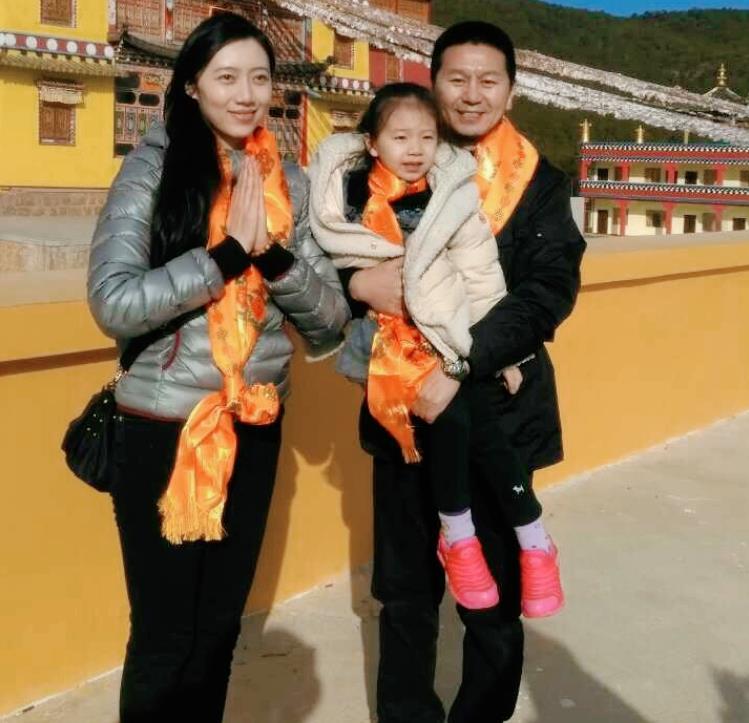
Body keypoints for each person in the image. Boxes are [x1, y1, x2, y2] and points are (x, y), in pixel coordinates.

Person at [87, 12, 348, 722]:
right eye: (226, 77)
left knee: (218, 631)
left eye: (259, 78)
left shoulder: (288, 182)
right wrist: (225, 257)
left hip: (254, 422)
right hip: (163, 429)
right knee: (166, 636)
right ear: (191, 86)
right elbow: (113, 302)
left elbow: (329, 319)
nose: (245, 94)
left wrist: (273, 258)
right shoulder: (152, 170)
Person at [335, 22, 587, 723]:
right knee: (406, 590)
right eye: (457, 78)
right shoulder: (388, 168)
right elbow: (330, 260)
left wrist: (463, 361)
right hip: (404, 406)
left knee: (494, 598)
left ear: (510, 90)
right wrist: (355, 286)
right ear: (434, 81)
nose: (471, 94)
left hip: (497, 412)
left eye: (487, 80)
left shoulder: (538, 183)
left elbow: (547, 291)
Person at [309, 82, 562, 615]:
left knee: (472, 427)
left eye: (426, 137)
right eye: (400, 137)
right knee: (462, 425)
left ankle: (505, 539)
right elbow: (316, 269)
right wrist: (358, 283)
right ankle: (504, 536)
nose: (415, 148)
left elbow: (482, 276)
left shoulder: (452, 194)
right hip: (387, 348)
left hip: (449, 336)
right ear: (372, 143)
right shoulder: (345, 195)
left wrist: (505, 353)